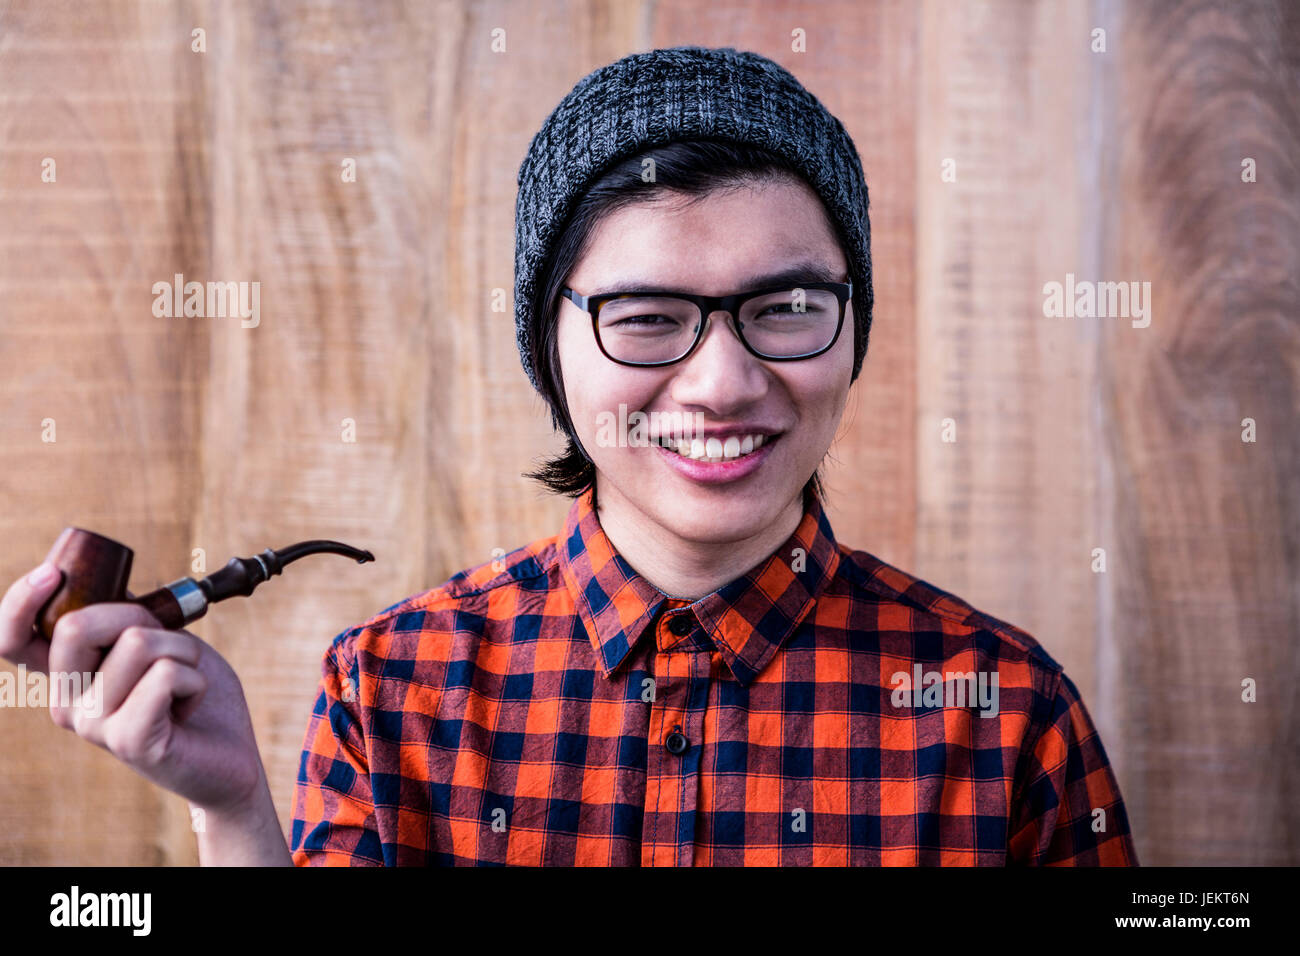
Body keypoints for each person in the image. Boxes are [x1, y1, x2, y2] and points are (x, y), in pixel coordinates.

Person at [0, 46, 1137, 866]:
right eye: (646, 316)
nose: (723, 381)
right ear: (550, 345)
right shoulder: (389, 691)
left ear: (852, 322)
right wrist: (238, 813)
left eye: (785, 305)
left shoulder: (1009, 712)